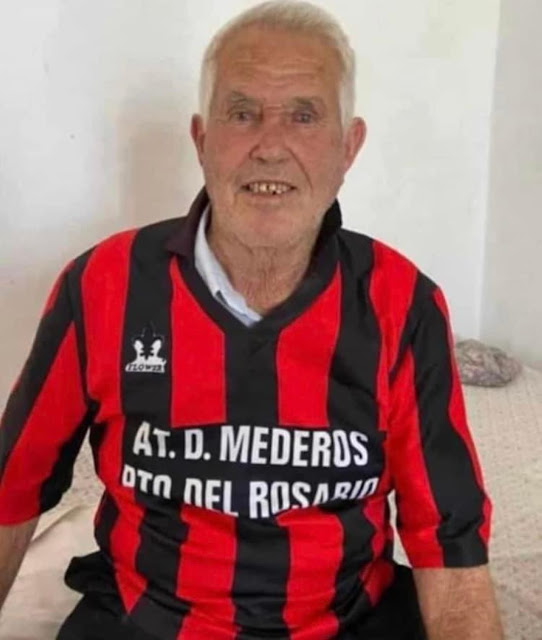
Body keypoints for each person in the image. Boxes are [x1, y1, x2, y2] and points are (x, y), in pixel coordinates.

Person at [0, 2, 504, 638]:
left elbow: (448, 540)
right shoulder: (102, 285)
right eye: (242, 113)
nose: (270, 146)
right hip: (146, 620)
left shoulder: (403, 303)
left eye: (304, 116)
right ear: (201, 140)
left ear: (348, 146)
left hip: (347, 621)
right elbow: (12, 488)